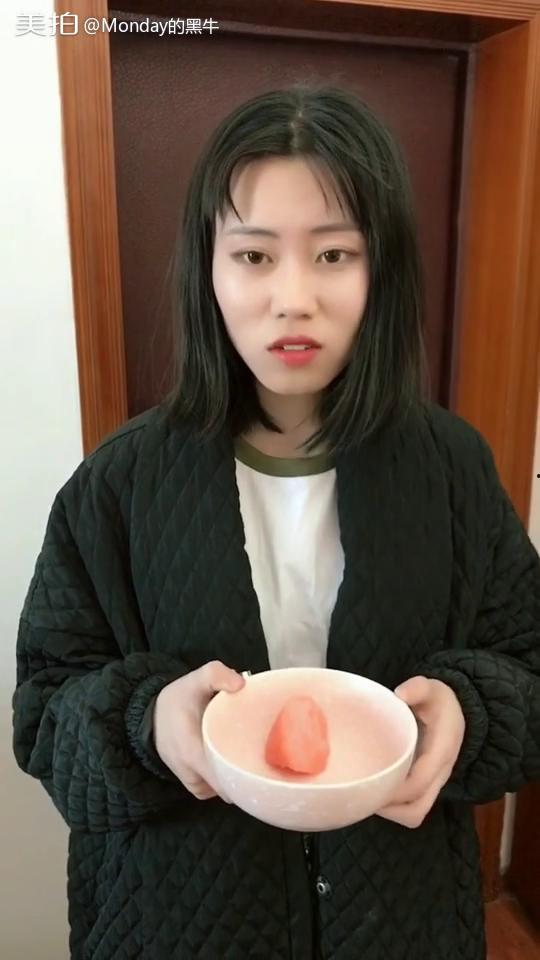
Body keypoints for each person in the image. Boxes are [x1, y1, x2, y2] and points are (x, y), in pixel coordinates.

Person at [11, 82, 540, 960]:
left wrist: (467, 711)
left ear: (381, 271)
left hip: (401, 919)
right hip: (175, 922)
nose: (293, 298)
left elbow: (529, 664)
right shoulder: (118, 485)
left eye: (334, 254)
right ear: (209, 270)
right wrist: (150, 722)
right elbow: (43, 716)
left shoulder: (452, 468)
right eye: (255, 255)